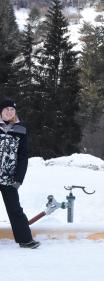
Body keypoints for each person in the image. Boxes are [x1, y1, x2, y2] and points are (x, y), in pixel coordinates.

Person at [0, 99, 40, 249]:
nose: (9, 112)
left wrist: (18, 179)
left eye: (12, 109)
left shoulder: (20, 129)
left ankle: (25, 240)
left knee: (15, 209)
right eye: (6, 109)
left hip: (9, 178)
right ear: (1, 111)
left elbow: (23, 157)